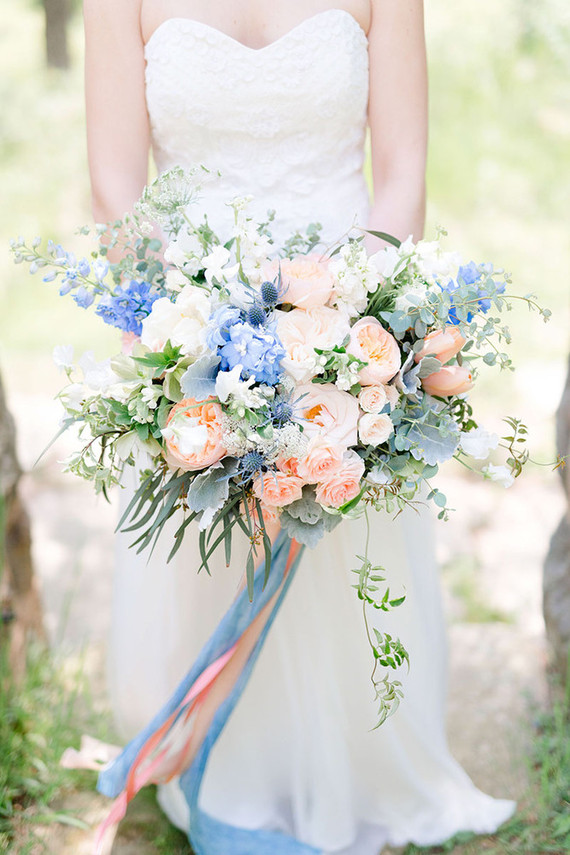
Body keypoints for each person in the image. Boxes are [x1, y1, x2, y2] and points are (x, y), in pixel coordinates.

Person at [83, 2, 515, 852]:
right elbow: (115, 184)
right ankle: (221, 760)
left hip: (345, 316)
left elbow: (400, 170)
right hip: (199, 319)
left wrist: (359, 325)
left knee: (341, 546)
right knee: (219, 533)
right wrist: (186, 325)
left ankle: (353, 766)